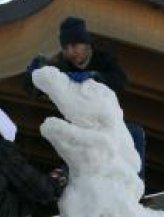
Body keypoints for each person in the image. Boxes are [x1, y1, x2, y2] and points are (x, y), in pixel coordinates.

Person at [24, 16, 146, 178]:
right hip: (80, 125)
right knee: (78, 145)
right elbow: (34, 90)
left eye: (74, 46)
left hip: (105, 123)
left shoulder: (103, 59)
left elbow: (120, 80)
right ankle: (66, 175)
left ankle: (135, 184)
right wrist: (32, 75)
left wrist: (97, 76)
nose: (70, 52)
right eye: (65, 48)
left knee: (134, 133)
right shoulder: (61, 65)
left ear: (86, 43)